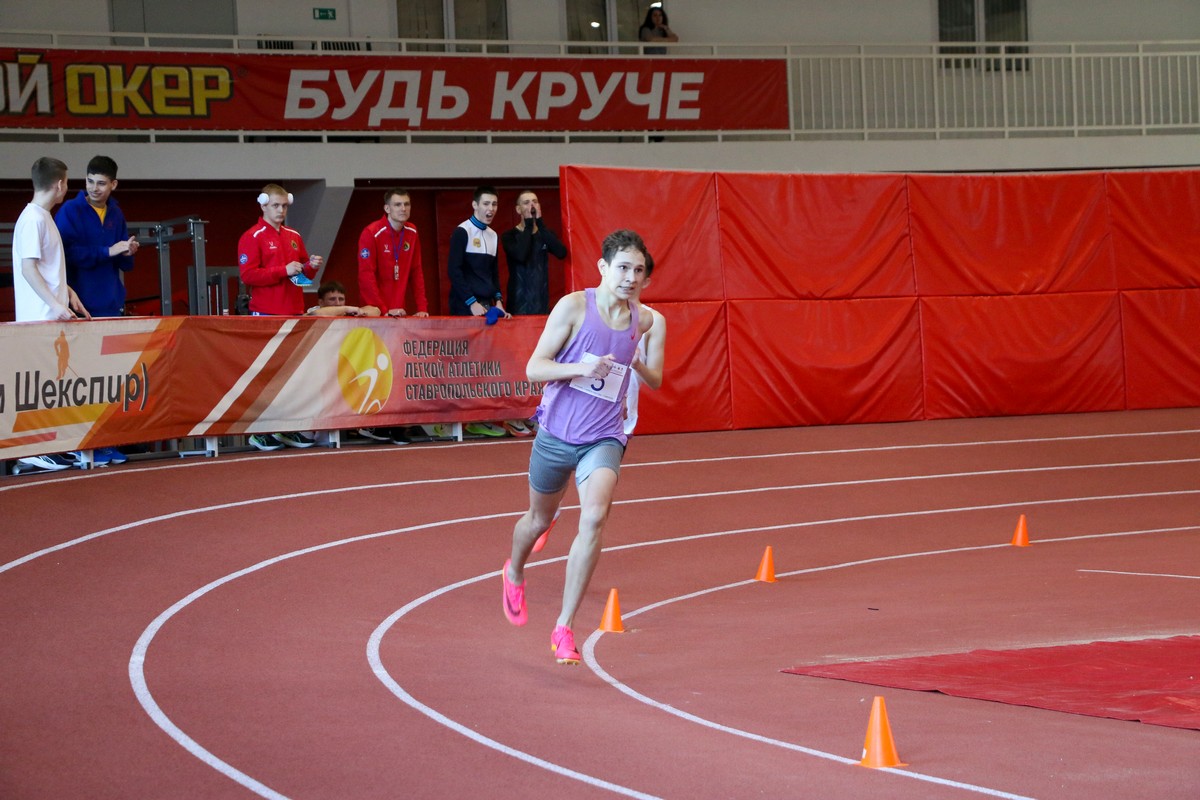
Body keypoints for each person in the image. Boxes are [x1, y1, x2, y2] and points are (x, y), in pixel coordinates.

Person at [501, 229, 662, 665]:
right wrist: (581, 368)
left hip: (604, 437)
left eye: (639, 271)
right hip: (556, 435)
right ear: (603, 268)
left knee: (593, 517)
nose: (630, 278)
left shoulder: (644, 321)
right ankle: (514, 571)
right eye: (623, 268)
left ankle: (564, 626)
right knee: (537, 519)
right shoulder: (573, 307)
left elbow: (651, 375)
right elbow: (534, 368)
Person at [11, 157, 92, 473]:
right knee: (40, 383)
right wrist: (55, 304)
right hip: (40, 318)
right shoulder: (33, 219)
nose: (67, 188)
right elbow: (28, 268)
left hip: (51, 316)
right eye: (67, 182)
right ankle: (32, 450)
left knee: (52, 384)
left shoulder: (43, 218)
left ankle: (48, 446)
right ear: (59, 184)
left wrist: (67, 292)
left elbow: (44, 269)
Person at [237, 183, 325, 451]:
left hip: (294, 312)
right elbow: (248, 276)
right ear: (263, 205)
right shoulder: (252, 236)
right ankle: (260, 430)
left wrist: (310, 268)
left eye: (284, 206)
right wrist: (283, 270)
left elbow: (299, 279)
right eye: (275, 205)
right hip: (266, 314)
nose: (281, 210)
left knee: (292, 376)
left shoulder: (293, 235)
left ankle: (286, 428)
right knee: (267, 375)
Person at [447, 185, 513, 438]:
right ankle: (455, 421)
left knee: (485, 363)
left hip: (487, 306)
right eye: (486, 204)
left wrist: (499, 302)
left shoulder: (494, 236)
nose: (490, 209)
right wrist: (471, 302)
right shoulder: (462, 232)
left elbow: (493, 274)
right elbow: (454, 271)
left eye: (494, 204)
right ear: (475, 205)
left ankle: (479, 418)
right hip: (464, 306)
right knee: (464, 364)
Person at [54, 155, 138, 319]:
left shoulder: (116, 213)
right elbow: (66, 254)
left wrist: (127, 253)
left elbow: (126, 265)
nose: (94, 188)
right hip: (76, 306)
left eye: (101, 183)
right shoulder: (70, 210)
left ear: (113, 184)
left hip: (111, 306)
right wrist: (107, 251)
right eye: (90, 181)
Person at [357, 188, 430, 318]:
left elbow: (416, 271)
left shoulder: (412, 232)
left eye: (406, 204)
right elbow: (366, 275)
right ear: (387, 208)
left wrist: (422, 308)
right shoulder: (371, 233)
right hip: (375, 312)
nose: (403, 209)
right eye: (397, 204)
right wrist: (383, 310)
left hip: (399, 310)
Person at [501, 190, 568, 316]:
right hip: (518, 304)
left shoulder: (544, 234)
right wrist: (528, 226)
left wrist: (540, 224)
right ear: (518, 209)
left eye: (535, 202)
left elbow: (561, 253)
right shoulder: (509, 236)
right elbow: (521, 255)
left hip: (541, 303)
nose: (531, 205)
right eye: (526, 202)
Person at [306, 279, 380, 317]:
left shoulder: (348, 311)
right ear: (321, 302)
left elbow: (376, 311)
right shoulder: (314, 311)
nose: (337, 303)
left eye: (341, 299)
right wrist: (346, 309)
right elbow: (313, 315)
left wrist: (360, 311)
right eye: (332, 299)